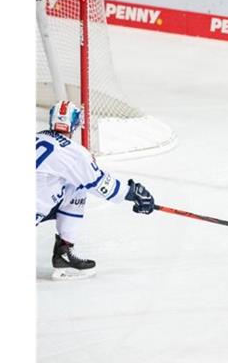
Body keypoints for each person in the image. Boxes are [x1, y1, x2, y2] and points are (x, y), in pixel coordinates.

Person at [36, 101, 155, 280]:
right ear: (76, 123)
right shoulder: (74, 152)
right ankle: (64, 249)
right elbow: (100, 185)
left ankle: (64, 252)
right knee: (79, 185)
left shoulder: (36, 137)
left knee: (75, 185)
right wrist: (132, 193)